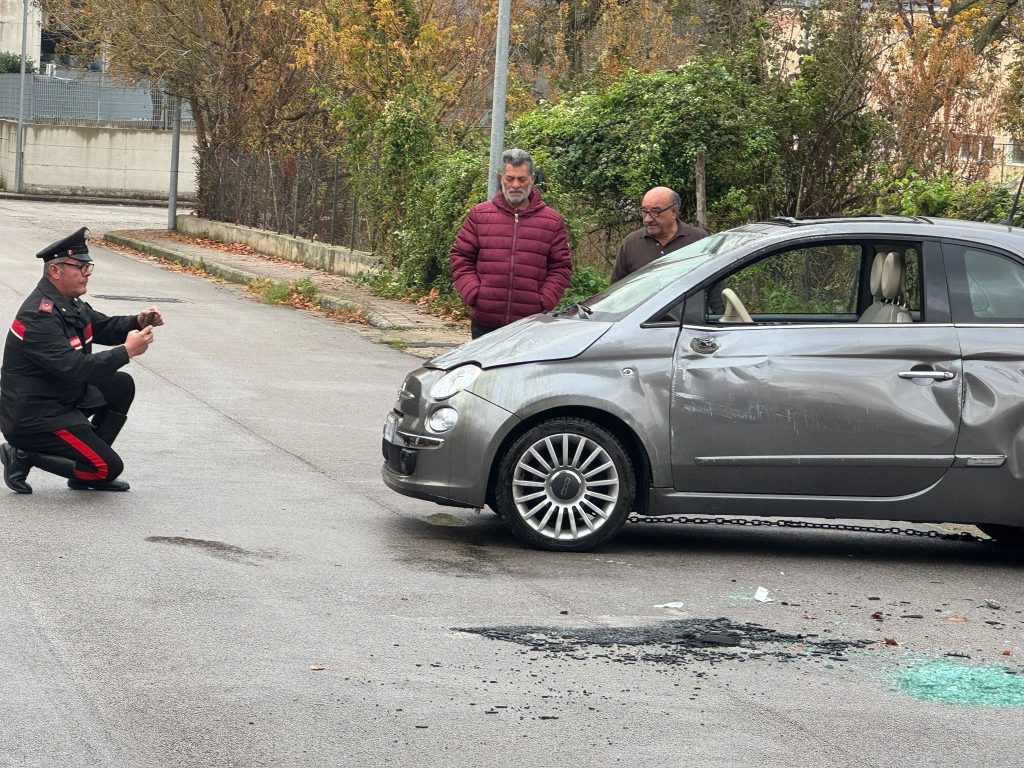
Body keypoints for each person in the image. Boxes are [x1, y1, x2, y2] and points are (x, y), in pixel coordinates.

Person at [0, 227, 161, 494]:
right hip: (35, 417)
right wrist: (127, 351)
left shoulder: (68, 302)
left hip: (60, 399)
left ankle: (85, 470)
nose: (87, 273)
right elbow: (74, 368)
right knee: (108, 468)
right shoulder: (39, 316)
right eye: (81, 267)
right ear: (55, 271)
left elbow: (103, 327)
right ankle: (22, 454)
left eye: (89, 267)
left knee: (121, 384)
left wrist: (138, 320)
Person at [451, 148, 572, 338]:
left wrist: (544, 301)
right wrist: (474, 294)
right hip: (485, 323)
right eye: (510, 178)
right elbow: (461, 257)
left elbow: (561, 267)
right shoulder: (479, 215)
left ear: (532, 179)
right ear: (502, 179)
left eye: (522, 179)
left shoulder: (552, 221)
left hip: (530, 326)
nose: (515, 185)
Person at [611, 186, 708, 282]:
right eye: (644, 211)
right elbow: (615, 290)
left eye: (656, 212)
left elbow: (713, 286)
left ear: (674, 211)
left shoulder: (698, 239)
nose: (648, 219)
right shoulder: (631, 243)